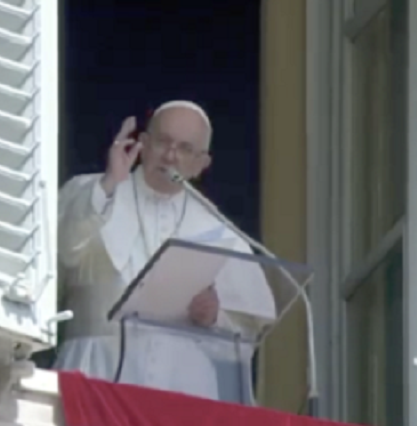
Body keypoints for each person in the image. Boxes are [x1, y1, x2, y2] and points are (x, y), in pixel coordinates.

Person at [53, 100, 268, 402]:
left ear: (202, 164)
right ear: (143, 144)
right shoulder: (92, 192)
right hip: (94, 374)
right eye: (163, 142)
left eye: (185, 149)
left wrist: (215, 317)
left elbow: (246, 339)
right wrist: (110, 182)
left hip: (183, 392)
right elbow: (62, 251)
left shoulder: (221, 233)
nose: (170, 156)